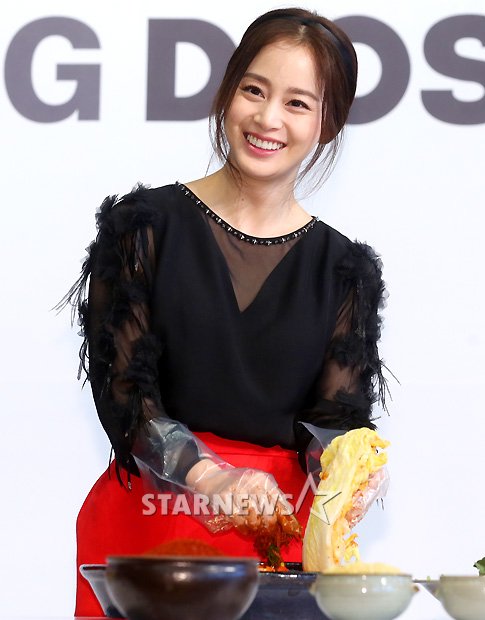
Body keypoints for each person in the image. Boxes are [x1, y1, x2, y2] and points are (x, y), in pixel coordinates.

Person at [63, 7, 388, 616]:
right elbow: (126, 395)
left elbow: (333, 420)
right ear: (227, 91)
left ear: (328, 123)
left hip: (276, 541)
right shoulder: (142, 228)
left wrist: (351, 467)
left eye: (297, 103)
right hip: (151, 531)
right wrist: (208, 476)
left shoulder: (344, 268)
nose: (268, 119)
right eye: (254, 90)